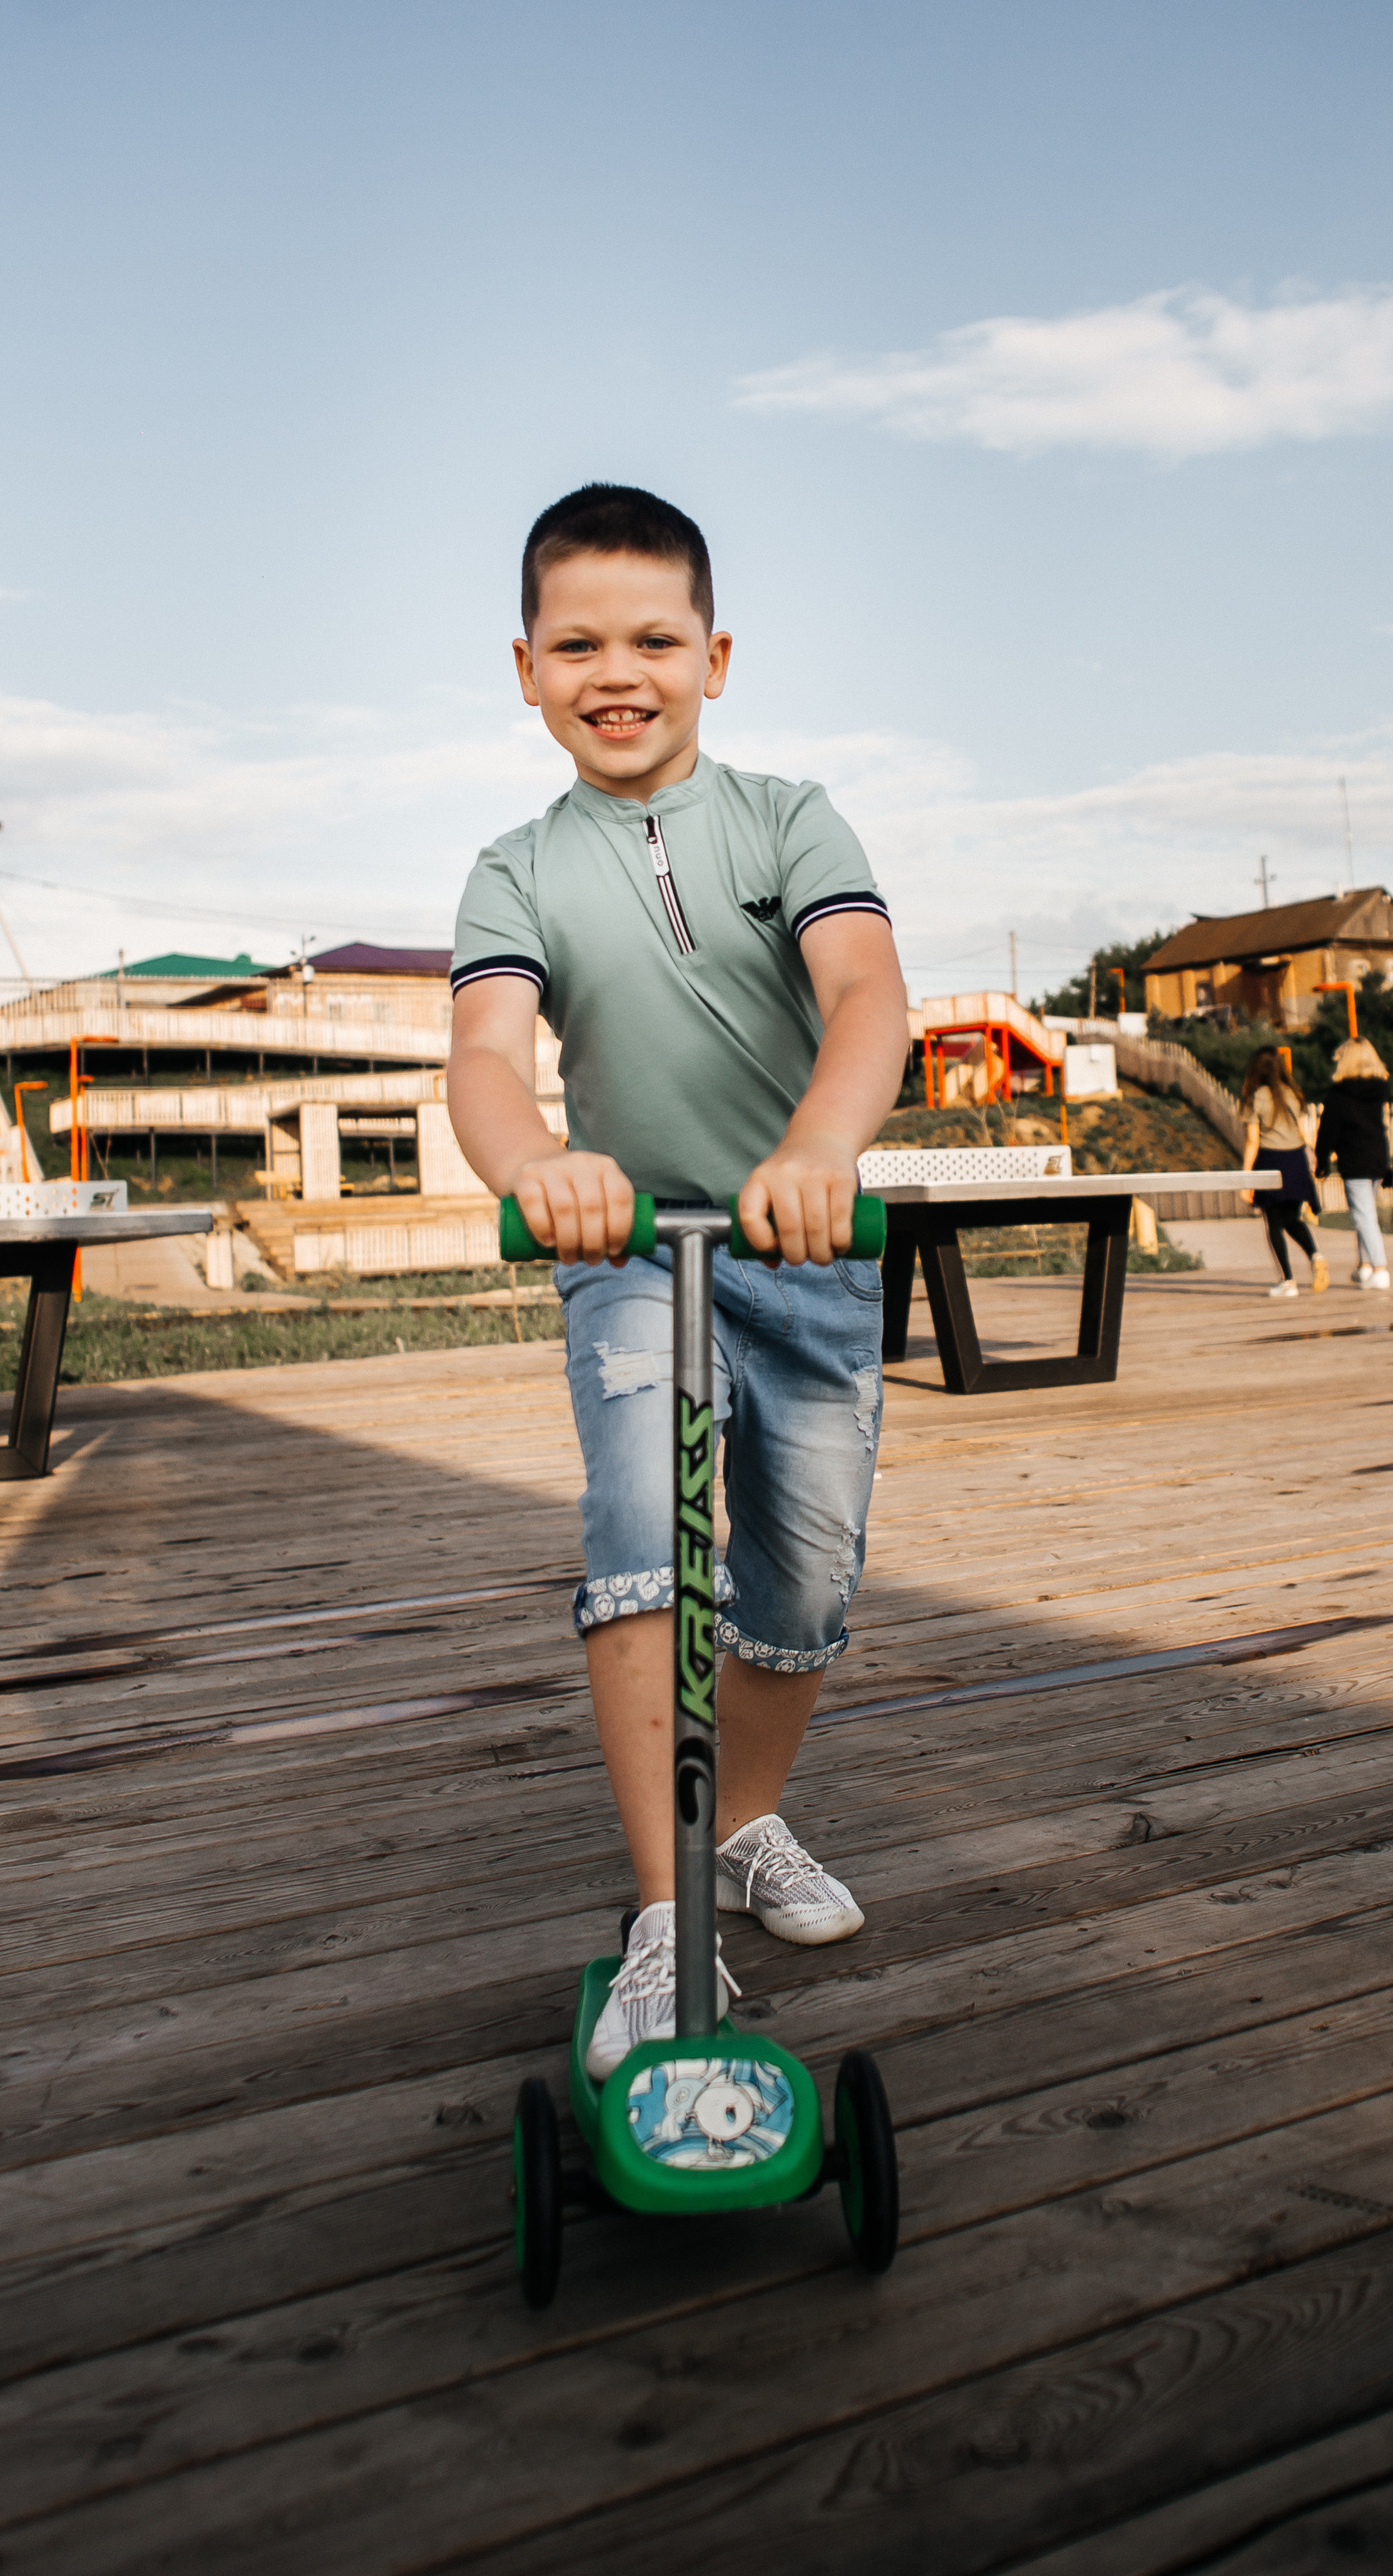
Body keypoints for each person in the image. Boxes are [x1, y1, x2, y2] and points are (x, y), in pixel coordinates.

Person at [446, 482, 910, 2078]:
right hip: (633, 1249)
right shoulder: (515, 870)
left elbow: (866, 998)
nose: (617, 670)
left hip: (806, 1242)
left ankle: (749, 1826)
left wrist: (822, 1148)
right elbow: (489, 1060)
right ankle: (666, 1916)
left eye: (654, 637)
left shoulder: (792, 821)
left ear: (716, 654)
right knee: (648, 1520)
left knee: (801, 1572)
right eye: (578, 642)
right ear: (527, 669)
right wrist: (537, 1172)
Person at [1240, 1045, 1328, 1297]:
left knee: (1274, 1224)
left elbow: (1253, 1141)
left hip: (1271, 1160)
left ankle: (1287, 1281)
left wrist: (1247, 1178)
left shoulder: (1255, 1097)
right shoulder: (1292, 1093)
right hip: (1295, 1160)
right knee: (1291, 1218)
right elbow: (1301, 1130)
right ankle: (1316, 1255)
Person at [1316, 1034, 1393, 1290]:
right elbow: (1382, 1128)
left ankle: (1380, 1269)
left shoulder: (1339, 1095)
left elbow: (1327, 1132)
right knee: (1366, 1213)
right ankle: (1365, 1267)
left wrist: (1321, 1162)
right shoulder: (1378, 1091)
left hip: (1354, 1159)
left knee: (1363, 1217)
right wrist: (1388, 1164)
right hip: (1376, 1157)